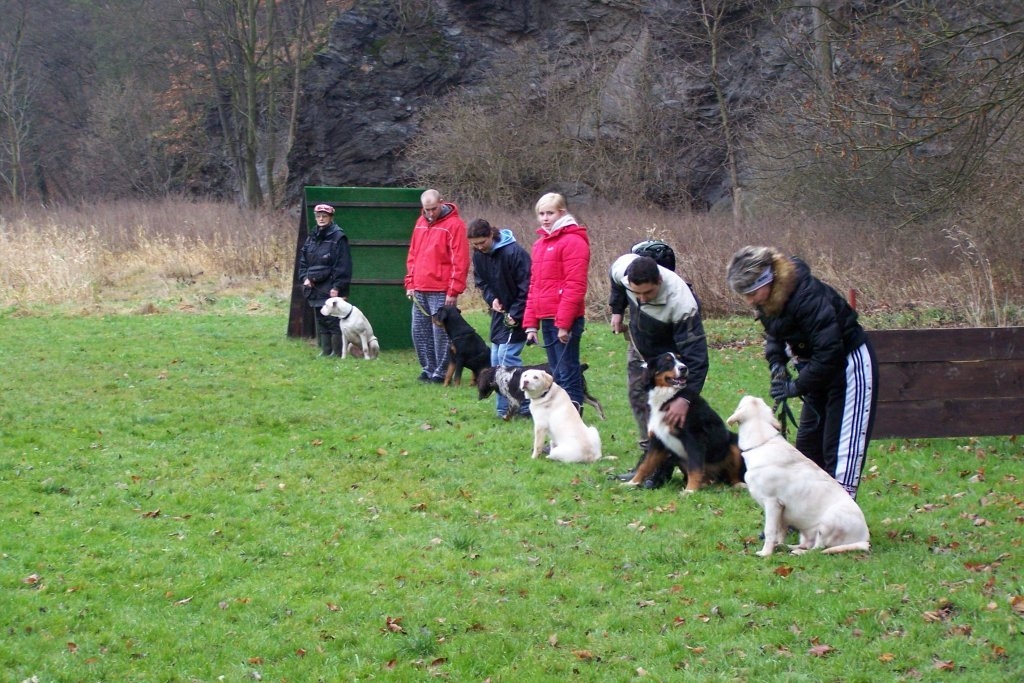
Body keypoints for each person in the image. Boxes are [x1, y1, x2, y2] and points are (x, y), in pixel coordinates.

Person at [727, 245, 878, 499]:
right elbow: (776, 333)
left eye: (752, 293)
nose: (750, 301)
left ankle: (839, 521)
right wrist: (777, 363)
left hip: (848, 368)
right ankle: (808, 517)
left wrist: (795, 387)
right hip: (816, 371)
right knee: (808, 447)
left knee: (839, 450)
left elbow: (830, 351)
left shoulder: (807, 297)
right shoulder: (771, 299)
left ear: (768, 279)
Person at [608, 250, 709, 488]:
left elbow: (697, 360)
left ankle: (661, 471)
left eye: (648, 292)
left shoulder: (682, 304)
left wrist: (685, 398)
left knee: (670, 411)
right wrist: (617, 310)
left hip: (669, 352)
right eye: (636, 292)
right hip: (640, 344)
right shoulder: (622, 269)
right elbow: (616, 285)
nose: (641, 299)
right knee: (638, 396)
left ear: (660, 282)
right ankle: (648, 459)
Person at [523, 192, 590, 412]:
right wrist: (531, 324)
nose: (544, 218)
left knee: (568, 371)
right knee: (557, 372)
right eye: (541, 213)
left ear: (561, 213)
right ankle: (563, 422)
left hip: (564, 319)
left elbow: (575, 286)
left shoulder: (573, 241)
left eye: (549, 213)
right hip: (546, 317)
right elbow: (535, 286)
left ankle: (574, 420)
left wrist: (564, 323)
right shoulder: (540, 244)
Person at [468, 218, 532, 417]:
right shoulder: (478, 256)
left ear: (491, 235)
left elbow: (527, 286)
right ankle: (503, 409)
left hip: (519, 313)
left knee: (508, 359)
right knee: (496, 359)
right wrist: (491, 299)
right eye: (475, 244)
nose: (479, 247)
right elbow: (482, 282)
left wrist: (516, 313)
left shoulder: (514, 253)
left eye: (482, 242)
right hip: (499, 313)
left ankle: (524, 408)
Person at [404, 189, 470, 383]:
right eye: (427, 210)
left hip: (441, 289)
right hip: (419, 287)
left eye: (433, 209)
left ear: (441, 202)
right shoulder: (420, 223)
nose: (430, 213)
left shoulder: (455, 225)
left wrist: (454, 289)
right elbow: (413, 254)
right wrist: (410, 282)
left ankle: (441, 372)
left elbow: (460, 260)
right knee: (419, 331)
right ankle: (428, 368)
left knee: (440, 333)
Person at [298, 203, 352, 357]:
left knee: (333, 321)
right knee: (321, 318)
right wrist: (305, 278)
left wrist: (337, 287)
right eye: (318, 216)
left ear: (331, 217)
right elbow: (303, 261)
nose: (321, 219)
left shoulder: (339, 237)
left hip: (331, 286)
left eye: (324, 216)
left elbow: (343, 265)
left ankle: (336, 352)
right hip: (314, 286)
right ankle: (325, 350)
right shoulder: (312, 237)